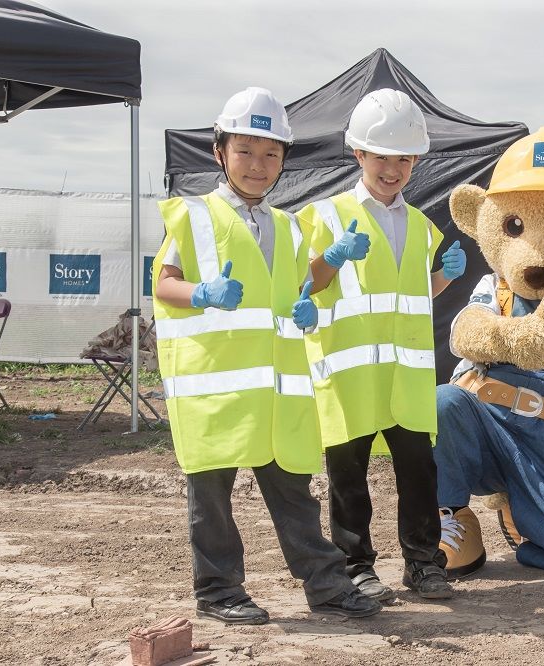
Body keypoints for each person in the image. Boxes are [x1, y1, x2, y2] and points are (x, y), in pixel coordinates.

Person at [152, 87, 380, 624]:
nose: (258, 165)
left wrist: (332, 262)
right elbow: (164, 284)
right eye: (245, 151)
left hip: (277, 391)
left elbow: (305, 285)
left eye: (271, 153)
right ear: (219, 153)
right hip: (217, 387)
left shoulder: (285, 225)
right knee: (211, 498)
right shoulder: (195, 217)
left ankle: (326, 585)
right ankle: (218, 591)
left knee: (296, 496)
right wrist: (202, 294)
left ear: (284, 160)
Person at [292, 88, 466, 603]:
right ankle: (356, 565)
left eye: (405, 159)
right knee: (349, 479)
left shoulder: (420, 225)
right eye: (383, 157)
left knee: (420, 476)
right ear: (359, 155)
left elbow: (412, 295)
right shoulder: (324, 218)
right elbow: (307, 285)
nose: (394, 169)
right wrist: (334, 256)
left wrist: (444, 280)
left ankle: (422, 563)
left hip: (406, 378)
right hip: (350, 376)